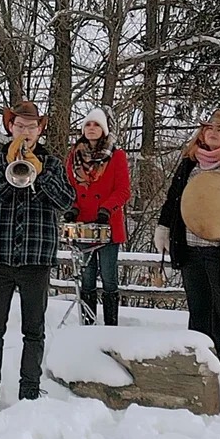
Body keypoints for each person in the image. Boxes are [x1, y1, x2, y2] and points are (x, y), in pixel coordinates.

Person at [0, 101, 76, 416]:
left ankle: (30, 391)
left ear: (40, 130)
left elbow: (66, 201)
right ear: (10, 128)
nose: (25, 132)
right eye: (19, 126)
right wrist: (8, 167)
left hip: (36, 256)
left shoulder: (52, 164)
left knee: (34, 329)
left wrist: (38, 174)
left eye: (31, 127)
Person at [154, 109, 220, 371]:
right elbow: (174, 198)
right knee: (198, 306)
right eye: (209, 128)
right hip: (190, 246)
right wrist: (164, 227)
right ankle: (200, 357)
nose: (212, 132)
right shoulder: (190, 163)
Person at [63, 107, 131, 325]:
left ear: (104, 129)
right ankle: (88, 323)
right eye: (88, 125)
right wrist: (72, 208)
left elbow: (123, 190)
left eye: (97, 125)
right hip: (83, 224)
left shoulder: (117, 156)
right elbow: (68, 187)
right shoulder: (74, 156)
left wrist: (107, 208)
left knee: (109, 277)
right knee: (87, 276)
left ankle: (111, 325)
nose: (92, 129)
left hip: (107, 223)